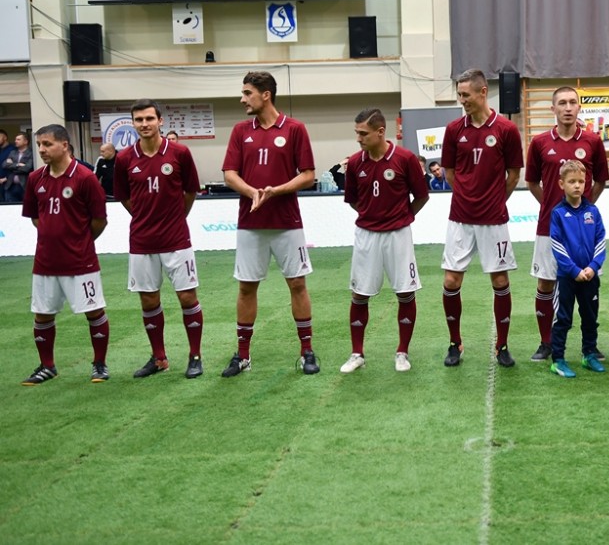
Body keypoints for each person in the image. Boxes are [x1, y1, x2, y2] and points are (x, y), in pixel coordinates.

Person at [220, 71, 320, 377]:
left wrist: (276, 191)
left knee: (297, 284)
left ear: (266, 95)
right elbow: (229, 174)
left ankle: (307, 352)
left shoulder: (295, 128)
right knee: (246, 288)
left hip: (288, 222)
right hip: (250, 223)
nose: (242, 99)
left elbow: (308, 175)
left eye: (247, 93)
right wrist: (253, 192)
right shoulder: (240, 131)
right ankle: (243, 356)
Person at [114, 100, 205, 379]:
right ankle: (159, 358)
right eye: (139, 120)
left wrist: (176, 217)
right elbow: (123, 196)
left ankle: (195, 356)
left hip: (176, 238)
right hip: (142, 241)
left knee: (187, 296)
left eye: (149, 118)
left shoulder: (180, 153)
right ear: (133, 123)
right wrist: (144, 216)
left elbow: (190, 191)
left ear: (160, 121)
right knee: (148, 300)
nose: (144, 124)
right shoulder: (124, 158)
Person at [439, 68, 523, 367]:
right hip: (460, 218)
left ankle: (502, 346)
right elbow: (449, 172)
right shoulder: (453, 130)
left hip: (494, 219)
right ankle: (455, 343)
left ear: (483, 92)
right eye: (459, 95)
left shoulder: (506, 129)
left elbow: (514, 175)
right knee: (451, 280)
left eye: (466, 95)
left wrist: (495, 200)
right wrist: (467, 196)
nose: (462, 100)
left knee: (500, 279)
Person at [20, 124, 111, 385]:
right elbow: (36, 218)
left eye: (47, 144)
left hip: (81, 261)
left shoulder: (85, 177)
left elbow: (99, 220)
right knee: (42, 314)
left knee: (94, 311)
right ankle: (47, 366)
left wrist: (79, 241)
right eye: (39, 144)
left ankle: (99, 364)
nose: (41, 149)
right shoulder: (35, 178)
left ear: (64, 145)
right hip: (45, 261)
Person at [340, 108, 429, 373]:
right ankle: (357, 353)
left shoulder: (405, 159)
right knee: (359, 294)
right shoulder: (355, 163)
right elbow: (352, 200)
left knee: (405, 292)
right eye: (356, 133)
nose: (358, 138)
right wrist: (371, 215)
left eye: (363, 133)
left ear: (380, 132)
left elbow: (422, 196)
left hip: (398, 235)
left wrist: (402, 216)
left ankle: (402, 352)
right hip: (366, 235)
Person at [525, 86, 609, 362]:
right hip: (548, 227)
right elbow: (531, 182)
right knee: (545, 283)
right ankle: (546, 342)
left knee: (588, 281)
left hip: (584, 229)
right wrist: (555, 210)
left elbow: (601, 180)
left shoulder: (592, 141)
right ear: (553, 109)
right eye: (562, 103)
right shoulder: (539, 142)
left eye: (573, 102)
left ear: (579, 107)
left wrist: (584, 209)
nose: (568, 107)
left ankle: (590, 345)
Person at [548, 160, 607, 378]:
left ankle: (589, 354)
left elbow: (601, 241)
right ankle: (558, 360)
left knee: (590, 317)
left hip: (590, 276)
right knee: (563, 318)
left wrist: (593, 267)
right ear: (561, 184)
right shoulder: (557, 213)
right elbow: (557, 245)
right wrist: (574, 271)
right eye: (572, 181)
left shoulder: (593, 211)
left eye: (581, 181)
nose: (577, 185)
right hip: (567, 277)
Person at [3, 132, 33, 202]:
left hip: (24, 186)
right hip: (11, 186)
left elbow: (27, 168)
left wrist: (11, 166)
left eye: (18, 139)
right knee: (10, 207)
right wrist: (18, 164)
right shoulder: (12, 152)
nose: (15, 141)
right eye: (15, 139)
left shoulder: (31, 153)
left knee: (26, 207)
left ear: (25, 141)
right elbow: (4, 165)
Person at [0, 129, 13, 201]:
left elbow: (16, 168)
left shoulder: (13, 150)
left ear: (5, 137)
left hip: (9, 184)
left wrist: (6, 178)